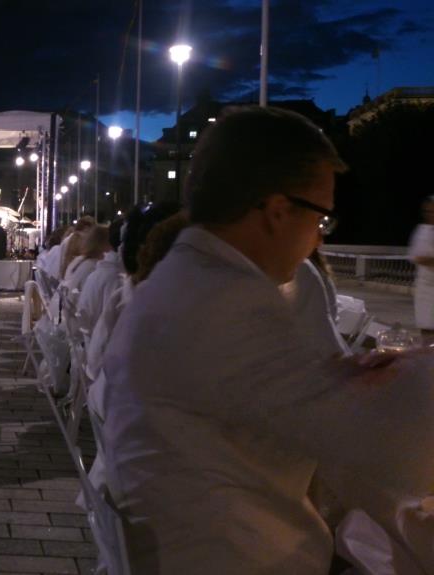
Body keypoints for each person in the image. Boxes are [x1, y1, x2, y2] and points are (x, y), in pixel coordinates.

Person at [101, 106, 434, 573]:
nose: (318, 241)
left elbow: (267, 396)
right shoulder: (225, 301)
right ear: (278, 211)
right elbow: (395, 452)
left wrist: (337, 379)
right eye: (321, 221)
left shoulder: (187, 279)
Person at [408, 196, 434, 335]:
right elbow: (414, 256)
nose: (430, 215)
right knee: (425, 325)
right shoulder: (422, 230)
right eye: (427, 211)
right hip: (425, 285)